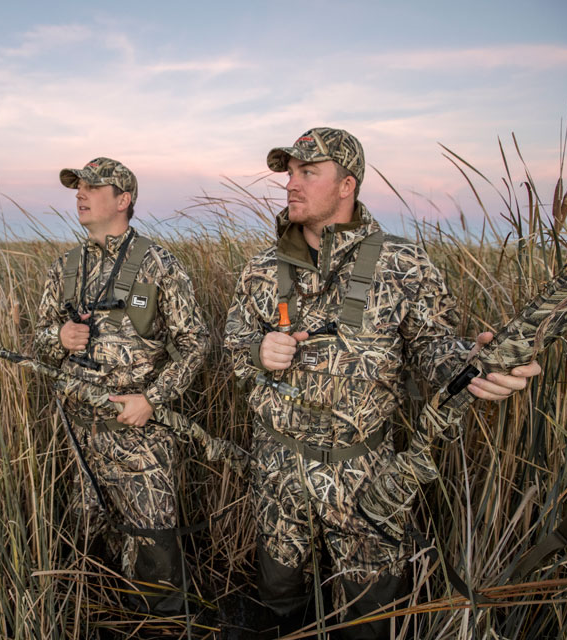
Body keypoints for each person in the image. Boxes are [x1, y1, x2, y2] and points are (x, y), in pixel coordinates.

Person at [223, 128, 541, 637]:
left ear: (347, 184)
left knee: (370, 616)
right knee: (279, 597)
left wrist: (479, 365)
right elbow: (233, 344)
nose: (291, 185)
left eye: (309, 172)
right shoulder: (261, 269)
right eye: (289, 174)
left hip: (366, 475)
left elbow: (435, 349)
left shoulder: (402, 263)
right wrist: (257, 353)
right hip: (275, 472)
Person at [33, 157, 209, 615]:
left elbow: (195, 344)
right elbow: (39, 341)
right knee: (89, 548)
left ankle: (162, 624)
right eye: (77, 187)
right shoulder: (64, 267)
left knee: (155, 555)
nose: (80, 194)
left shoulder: (159, 264)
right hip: (78, 437)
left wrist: (152, 399)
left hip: (140, 438)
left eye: (93, 187)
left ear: (124, 199)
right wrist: (59, 339)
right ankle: (99, 619)